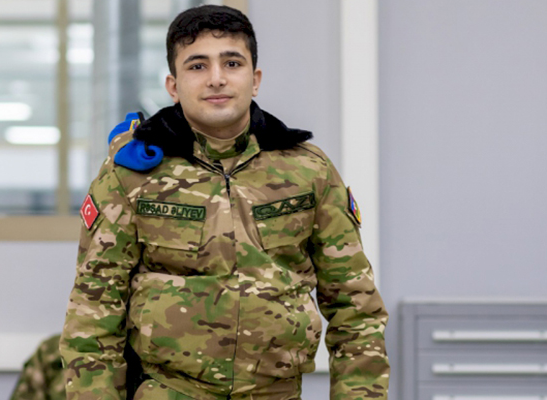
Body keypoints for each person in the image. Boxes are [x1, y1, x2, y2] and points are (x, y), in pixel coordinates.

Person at [60, 5, 389, 400]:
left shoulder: (308, 171)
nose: (216, 78)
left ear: (255, 79)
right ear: (173, 85)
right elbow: (93, 316)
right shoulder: (131, 175)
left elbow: (356, 310)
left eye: (232, 63)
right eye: (197, 66)